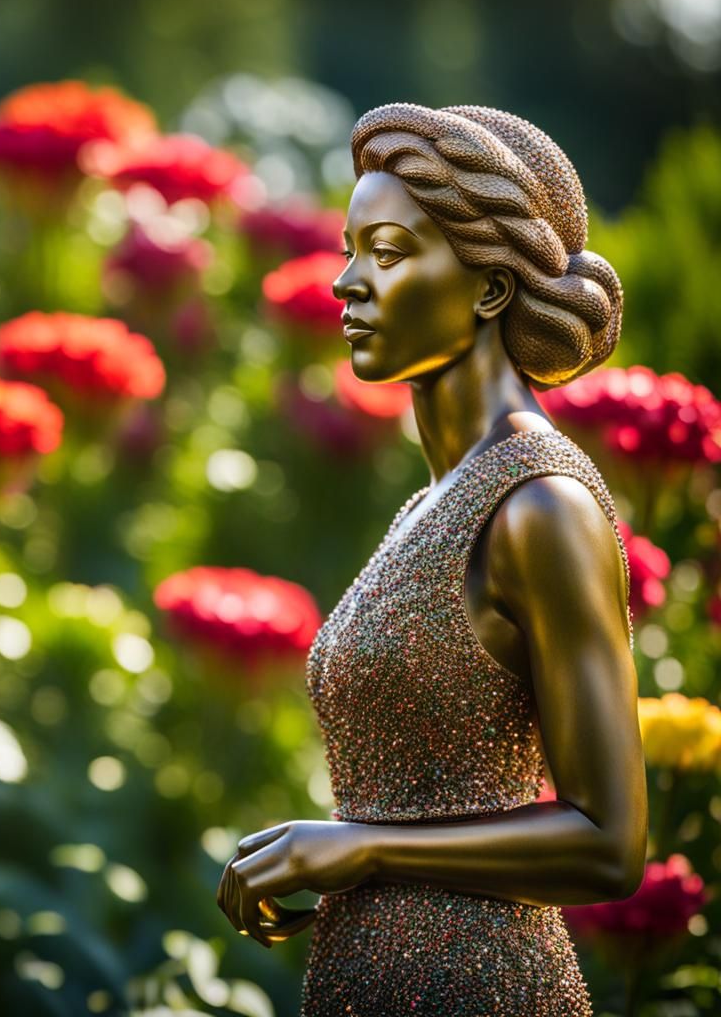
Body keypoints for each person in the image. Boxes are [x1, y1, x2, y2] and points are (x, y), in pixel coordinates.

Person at [216, 104, 648, 1015]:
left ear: (489, 289)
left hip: (483, 987)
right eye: (348, 248)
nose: (344, 282)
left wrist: (365, 847)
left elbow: (610, 842)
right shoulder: (429, 504)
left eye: (387, 250)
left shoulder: (541, 506)